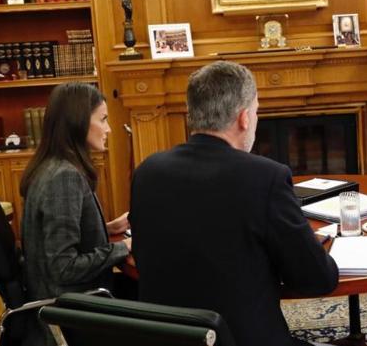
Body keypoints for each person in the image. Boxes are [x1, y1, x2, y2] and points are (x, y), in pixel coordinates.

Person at [128, 61, 339, 346]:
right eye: (256, 111)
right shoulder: (266, 177)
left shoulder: (146, 172)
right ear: (244, 118)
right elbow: (318, 278)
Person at [19, 82, 132, 346]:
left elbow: (55, 238)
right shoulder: (64, 177)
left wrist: (107, 228)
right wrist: (124, 247)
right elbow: (63, 267)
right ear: (78, 122)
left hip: (69, 300)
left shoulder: (50, 166)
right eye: (103, 119)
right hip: (74, 311)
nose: (109, 129)